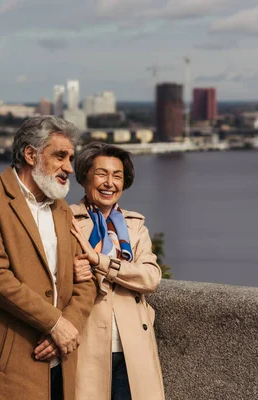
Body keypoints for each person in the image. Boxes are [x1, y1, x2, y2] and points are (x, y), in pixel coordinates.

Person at [0, 116, 97, 400]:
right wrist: (55, 324)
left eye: (71, 158)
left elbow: (85, 280)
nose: (69, 168)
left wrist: (67, 326)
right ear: (30, 154)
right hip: (11, 367)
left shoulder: (63, 210)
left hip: (62, 363)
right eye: (60, 156)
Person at [69, 143, 165, 400]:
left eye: (117, 176)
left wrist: (99, 261)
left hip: (132, 345)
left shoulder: (135, 227)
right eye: (101, 174)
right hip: (86, 343)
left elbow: (150, 277)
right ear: (84, 177)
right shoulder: (68, 220)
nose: (109, 183)